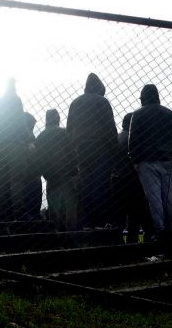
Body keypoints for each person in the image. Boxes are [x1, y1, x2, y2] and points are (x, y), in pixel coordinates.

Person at [128, 84, 172, 245]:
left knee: (154, 199)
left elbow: (133, 140)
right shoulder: (169, 113)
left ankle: (160, 231)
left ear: (143, 98)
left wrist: (136, 161)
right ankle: (171, 229)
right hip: (167, 160)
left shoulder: (137, 114)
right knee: (168, 198)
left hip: (147, 161)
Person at [67, 73, 118, 227]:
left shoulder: (75, 103)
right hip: (100, 147)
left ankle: (86, 222)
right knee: (100, 184)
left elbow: (69, 129)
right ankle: (100, 221)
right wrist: (113, 150)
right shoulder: (102, 102)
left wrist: (73, 147)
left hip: (80, 148)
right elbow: (110, 128)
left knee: (85, 183)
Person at [0, 79, 27, 221]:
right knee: (16, 180)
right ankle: (18, 212)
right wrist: (27, 141)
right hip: (15, 144)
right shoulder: (15, 100)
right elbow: (21, 122)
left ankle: (1, 213)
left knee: (0, 180)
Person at [34, 109, 78, 230]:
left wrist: (44, 172)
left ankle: (55, 231)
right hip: (66, 173)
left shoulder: (40, 137)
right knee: (70, 205)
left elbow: (37, 159)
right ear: (58, 119)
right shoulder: (64, 133)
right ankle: (70, 232)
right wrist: (74, 169)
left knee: (53, 205)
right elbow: (72, 152)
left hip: (50, 176)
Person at [113, 113, 152, 244]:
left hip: (117, 180)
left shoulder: (117, 138)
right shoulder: (133, 138)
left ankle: (118, 243)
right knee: (135, 215)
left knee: (119, 216)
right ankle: (133, 244)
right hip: (133, 180)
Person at [18, 112, 43, 220]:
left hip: (32, 171)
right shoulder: (25, 136)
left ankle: (34, 213)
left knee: (34, 192)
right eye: (32, 125)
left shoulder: (28, 136)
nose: (33, 127)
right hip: (28, 171)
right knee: (31, 192)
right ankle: (32, 214)